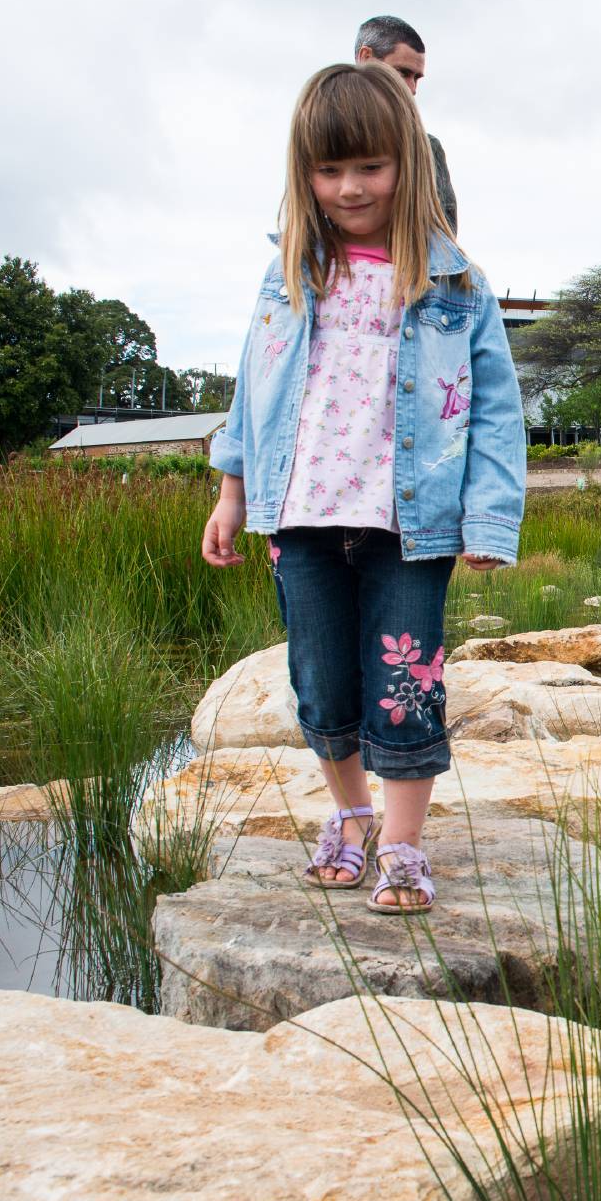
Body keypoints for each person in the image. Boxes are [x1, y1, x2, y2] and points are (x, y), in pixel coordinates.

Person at [202, 61, 527, 914]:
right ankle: (348, 812)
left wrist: (489, 519)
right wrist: (231, 492)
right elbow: (250, 389)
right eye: (330, 168)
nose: (349, 187)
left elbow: (496, 411)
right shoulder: (288, 278)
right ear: (304, 174)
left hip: (408, 525)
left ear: (406, 167)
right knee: (322, 680)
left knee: (409, 680)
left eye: (370, 168)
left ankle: (404, 842)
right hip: (301, 516)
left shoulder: (454, 287)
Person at [355, 15, 456, 236]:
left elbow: (444, 243)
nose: (411, 89)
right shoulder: (319, 136)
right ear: (366, 58)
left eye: (417, 78)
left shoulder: (427, 149)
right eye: (402, 72)